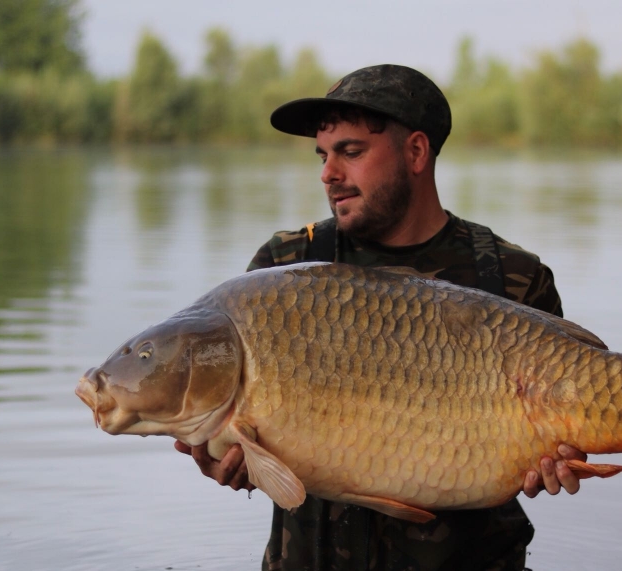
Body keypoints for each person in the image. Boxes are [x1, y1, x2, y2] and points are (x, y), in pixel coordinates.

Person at [175, 64, 587, 570]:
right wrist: (230, 464)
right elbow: (250, 438)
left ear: (416, 152)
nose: (329, 173)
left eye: (351, 152)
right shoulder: (282, 270)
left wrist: (557, 460)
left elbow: (565, 434)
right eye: (323, 155)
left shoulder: (513, 278)